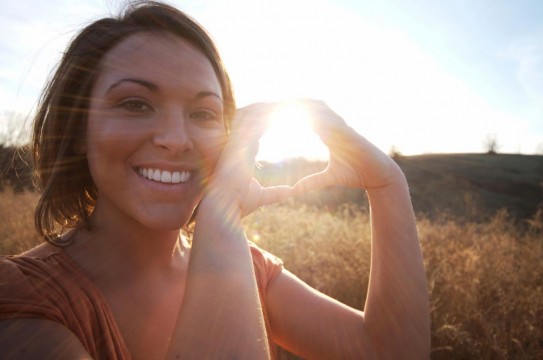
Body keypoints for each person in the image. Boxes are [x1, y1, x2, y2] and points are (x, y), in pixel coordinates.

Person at [0, 1, 430, 359]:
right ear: (77, 131)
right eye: (135, 104)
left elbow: (387, 351)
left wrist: (387, 183)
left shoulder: (248, 267)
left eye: (204, 113)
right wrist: (222, 208)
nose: (175, 139)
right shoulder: (23, 300)